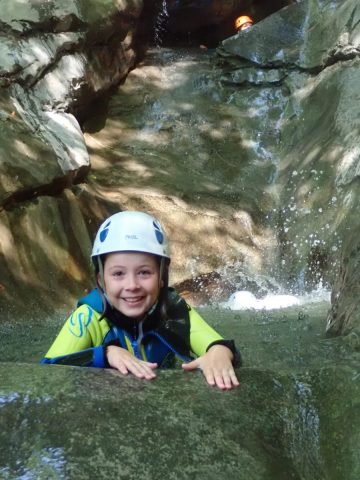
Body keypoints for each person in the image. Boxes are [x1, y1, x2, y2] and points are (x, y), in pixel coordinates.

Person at [41, 211, 241, 390]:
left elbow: (217, 344)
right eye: (118, 274)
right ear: (101, 280)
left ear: (162, 276)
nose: (132, 285)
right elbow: (46, 373)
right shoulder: (89, 317)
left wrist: (221, 352)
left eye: (144, 272)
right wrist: (105, 354)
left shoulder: (174, 310)